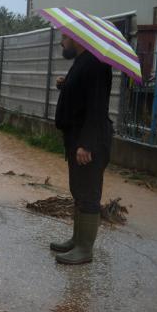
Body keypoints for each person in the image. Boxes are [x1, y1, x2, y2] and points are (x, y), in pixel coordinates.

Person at [51, 33, 113, 265]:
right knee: (79, 190)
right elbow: (82, 96)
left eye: (64, 38)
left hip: (90, 141)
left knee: (88, 193)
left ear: (77, 39)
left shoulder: (96, 63)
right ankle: (77, 240)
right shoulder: (82, 61)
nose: (61, 43)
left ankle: (85, 249)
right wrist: (65, 85)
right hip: (76, 138)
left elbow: (97, 107)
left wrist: (86, 144)